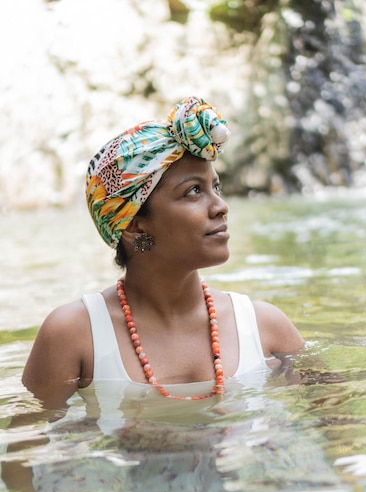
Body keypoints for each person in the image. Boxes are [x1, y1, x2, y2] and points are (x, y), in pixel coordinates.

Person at [22, 96, 303, 412]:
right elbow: (26, 454)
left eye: (216, 187)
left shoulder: (266, 328)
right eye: (193, 191)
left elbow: (336, 431)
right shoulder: (73, 335)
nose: (221, 207)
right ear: (135, 227)